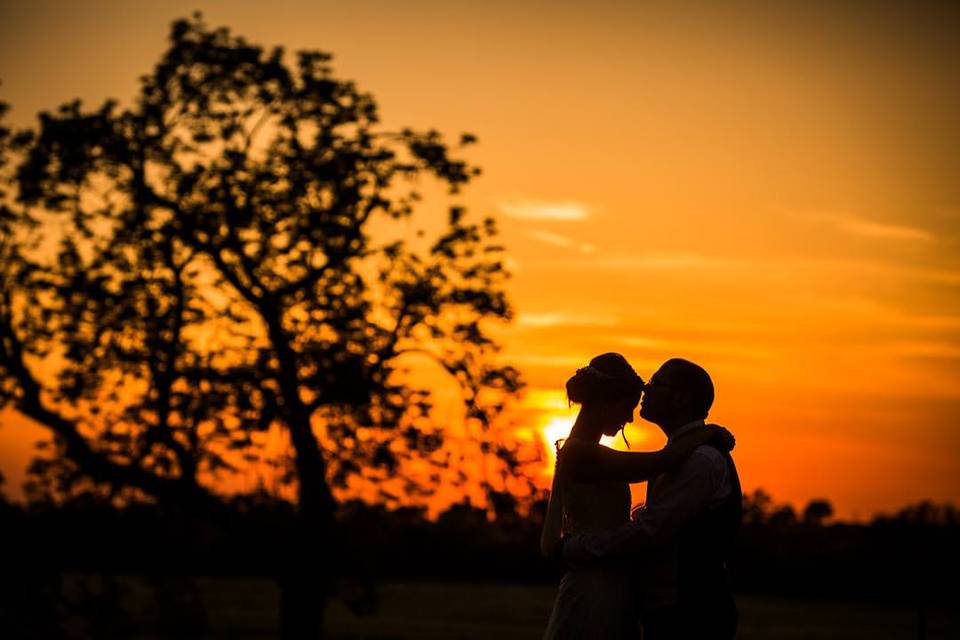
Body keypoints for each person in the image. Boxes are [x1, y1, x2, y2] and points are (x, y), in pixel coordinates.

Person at [541, 353, 734, 639]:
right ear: (606, 402)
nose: (629, 418)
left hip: (614, 581)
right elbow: (662, 461)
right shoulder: (581, 453)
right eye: (626, 407)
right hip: (596, 583)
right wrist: (708, 433)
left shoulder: (578, 450)